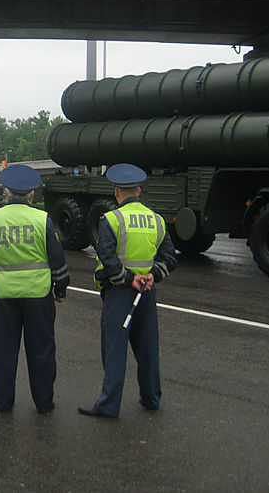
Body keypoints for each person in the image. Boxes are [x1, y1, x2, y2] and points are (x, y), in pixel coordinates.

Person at [0, 164, 70, 414]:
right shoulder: (43, 220)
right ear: (31, 195)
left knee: (2, 352)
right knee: (41, 351)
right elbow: (57, 260)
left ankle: (3, 402)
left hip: (4, 297)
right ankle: (43, 402)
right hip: (38, 296)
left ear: (6, 193)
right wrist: (61, 289)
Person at [79, 163, 177, 419]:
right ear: (139, 190)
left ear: (117, 193)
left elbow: (108, 258)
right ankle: (151, 398)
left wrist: (128, 279)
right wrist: (152, 276)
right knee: (147, 348)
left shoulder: (111, 219)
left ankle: (109, 405)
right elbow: (169, 257)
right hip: (146, 291)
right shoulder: (157, 220)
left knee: (115, 348)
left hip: (120, 292)